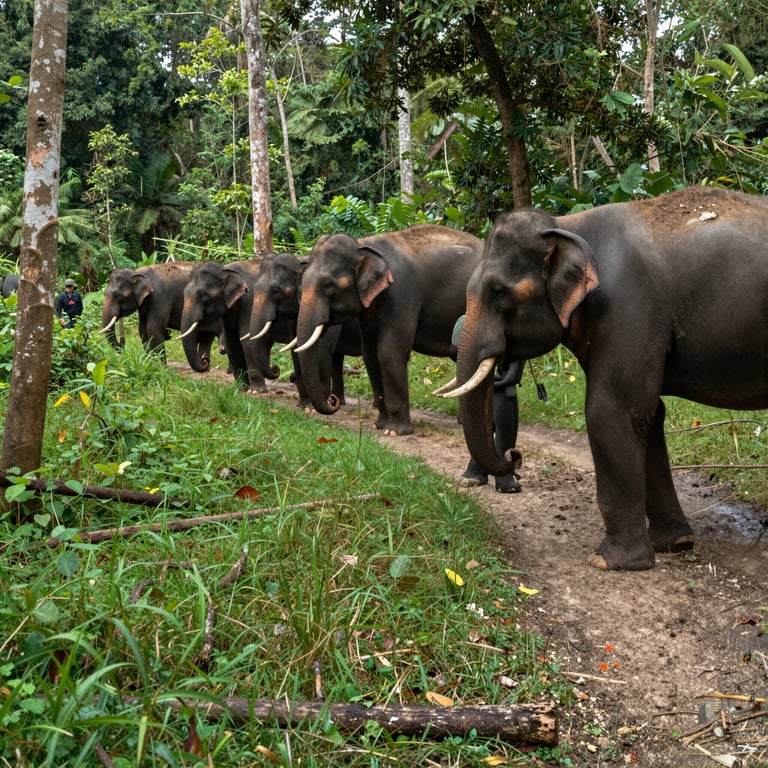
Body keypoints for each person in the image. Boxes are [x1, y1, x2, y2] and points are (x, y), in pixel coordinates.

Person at [451, 315, 524, 493]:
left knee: (503, 424)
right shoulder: (468, 321)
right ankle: (477, 467)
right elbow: (456, 351)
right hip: (483, 371)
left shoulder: (513, 325)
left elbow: (510, 376)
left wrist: (505, 374)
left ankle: (504, 474)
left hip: (502, 385)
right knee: (480, 425)